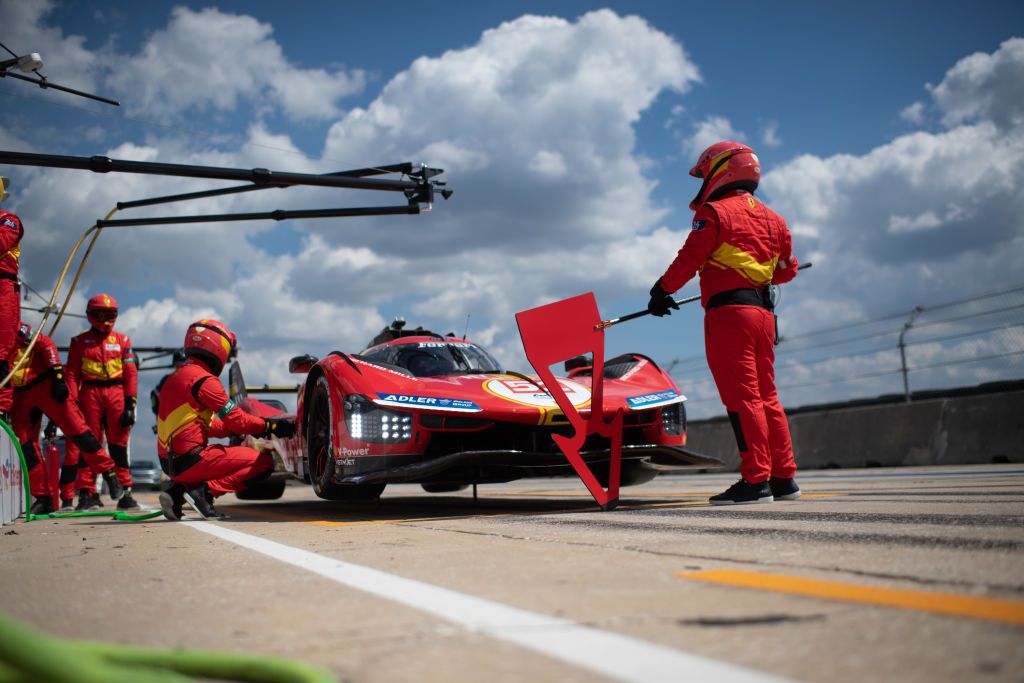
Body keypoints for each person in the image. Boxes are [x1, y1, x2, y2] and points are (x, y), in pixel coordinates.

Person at [647, 141, 801, 505]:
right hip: (763, 316)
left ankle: (756, 480)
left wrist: (660, 291)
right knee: (768, 397)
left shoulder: (715, 213)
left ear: (720, 170)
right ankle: (784, 479)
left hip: (729, 316)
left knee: (743, 398)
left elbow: (690, 258)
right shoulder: (776, 220)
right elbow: (786, 271)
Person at [156, 319, 294, 520]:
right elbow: (236, 419)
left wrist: (233, 431)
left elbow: (208, 425)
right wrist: (269, 426)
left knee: (209, 458)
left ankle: (176, 494)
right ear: (218, 347)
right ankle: (206, 493)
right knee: (263, 464)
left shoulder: (173, 380)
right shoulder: (205, 381)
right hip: (191, 459)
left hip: (169, 464)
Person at [11, 322, 123, 514]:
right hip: (20, 396)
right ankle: (43, 497)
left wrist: (58, 379)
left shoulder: (14, 328)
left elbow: (46, 344)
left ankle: (109, 473)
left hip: (46, 384)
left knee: (78, 431)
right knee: (26, 446)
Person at [66, 294, 139, 510]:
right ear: (90, 315)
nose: (106, 320)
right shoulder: (79, 343)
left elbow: (130, 372)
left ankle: (126, 492)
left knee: (118, 445)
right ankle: (87, 494)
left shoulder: (123, 341)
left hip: (116, 392)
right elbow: (71, 374)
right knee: (89, 443)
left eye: (111, 315)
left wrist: (130, 403)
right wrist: (74, 401)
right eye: (101, 315)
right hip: (90, 394)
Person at [0, 176, 24, 423]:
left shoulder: (8, 220)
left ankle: (1, 411)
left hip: (3, 288)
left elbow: (2, 241)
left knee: (1, 351)